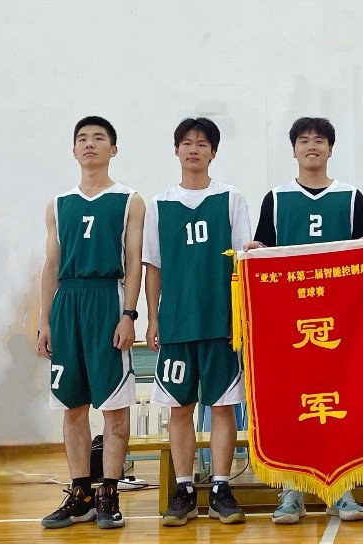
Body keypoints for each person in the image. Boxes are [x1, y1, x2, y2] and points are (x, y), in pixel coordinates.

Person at [245, 116, 363, 523]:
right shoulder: (276, 198)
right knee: (291, 401)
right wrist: (254, 252)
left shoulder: (350, 197)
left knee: (341, 400)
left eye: (319, 140)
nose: (312, 146)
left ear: (331, 149)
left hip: (341, 325)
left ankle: (342, 488)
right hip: (290, 324)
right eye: (304, 140)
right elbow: (264, 250)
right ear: (294, 150)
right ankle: (292, 490)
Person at [144, 117, 251, 527]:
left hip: (221, 321)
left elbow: (243, 261)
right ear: (176, 150)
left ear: (213, 152)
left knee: (223, 407)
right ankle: (185, 489)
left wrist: (240, 317)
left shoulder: (231, 198)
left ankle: (222, 487)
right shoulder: (159, 204)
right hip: (176, 322)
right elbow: (153, 266)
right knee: (180, 408)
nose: (194, 149)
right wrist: (152, 318)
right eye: (187, 143)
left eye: (202, 143)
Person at [38, 116, 145, 530]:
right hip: (68, 302)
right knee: (72, 407)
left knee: (115, 407)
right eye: (82, 139)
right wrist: (45, 321)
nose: (89, 144)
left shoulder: (130, 200)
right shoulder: (58, 204)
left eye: (99, 138)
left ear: (113, 149)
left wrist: (129, 314)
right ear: (73, 150)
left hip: (107, 300)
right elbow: (50, 265)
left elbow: (134, 261)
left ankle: (109, 493)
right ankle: (81, 493)